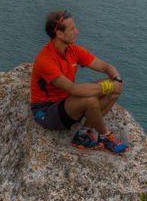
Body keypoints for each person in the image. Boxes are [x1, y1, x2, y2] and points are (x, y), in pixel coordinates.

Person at [29, 9, 130, 154]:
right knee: (90, 99)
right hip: (46, 112)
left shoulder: (72, 50)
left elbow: (106, 66)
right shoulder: (46, 59)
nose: (77, 31)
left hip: (66, 103)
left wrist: (116, 80)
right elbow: (73, 90)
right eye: (72, 28)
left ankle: (83, 134)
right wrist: (108, 86)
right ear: (59, 34)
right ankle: (105, 137)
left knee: (113, 91)